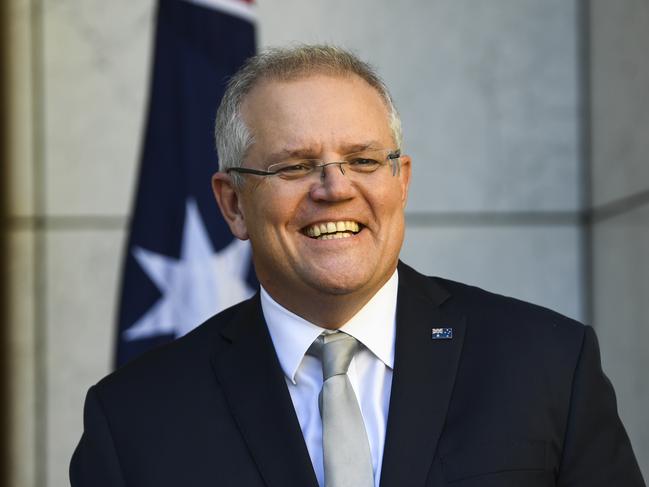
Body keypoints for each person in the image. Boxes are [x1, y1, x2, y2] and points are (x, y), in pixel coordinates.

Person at [70, 45, 645, 487]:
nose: (335, 189)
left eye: (363, 160)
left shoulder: (547, 366)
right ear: (232, 204)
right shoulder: (134, 419)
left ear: (402, 181)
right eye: (295, 167)